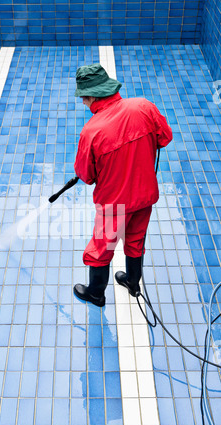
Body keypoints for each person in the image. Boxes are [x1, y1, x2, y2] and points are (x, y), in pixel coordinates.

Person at [73, 63, 173, 307]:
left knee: (103, 248)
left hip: (114, 205)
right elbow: (165, 137)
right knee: (136, 238)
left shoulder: (92, 131)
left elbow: (86, 175)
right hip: (145, 194)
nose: (84, 103)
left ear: (93, 95)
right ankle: (131, 281)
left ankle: (96, 293)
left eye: (83, 98)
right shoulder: (144, 106)